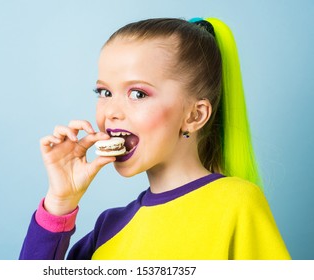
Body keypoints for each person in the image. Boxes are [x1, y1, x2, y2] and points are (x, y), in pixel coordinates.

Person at [19, 17, 291, 260]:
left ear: (195, 115)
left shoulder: (236, 204)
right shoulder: (108, 228)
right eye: (104, 92)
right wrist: (59, 203)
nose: (111, 112)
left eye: (138, 94)